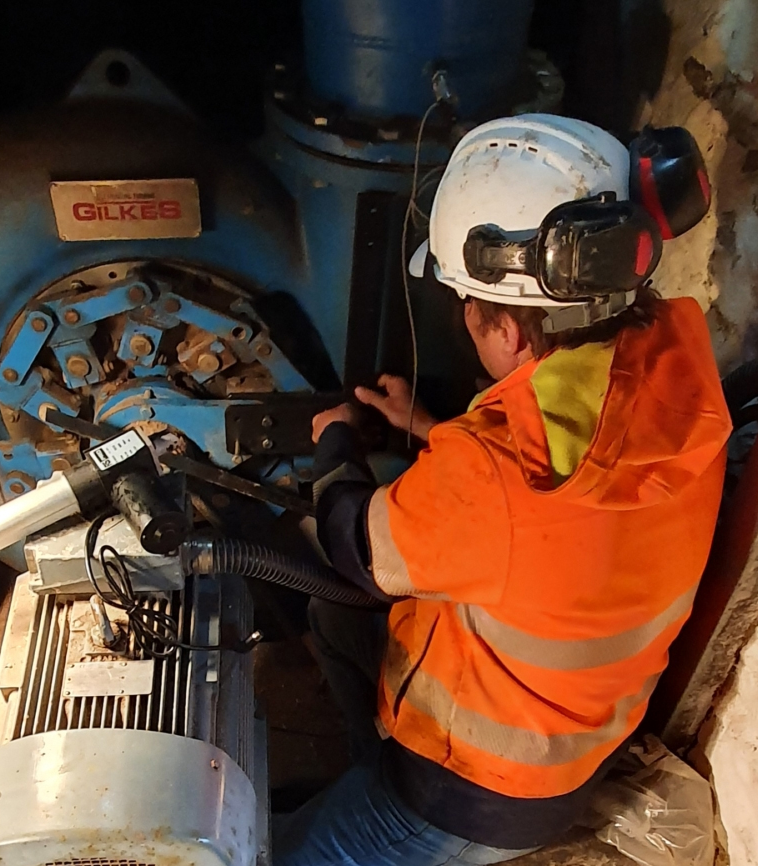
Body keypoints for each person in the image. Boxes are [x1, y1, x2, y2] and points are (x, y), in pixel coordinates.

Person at [274, 114, 732, 866]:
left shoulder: (493, 472)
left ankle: (377, 818)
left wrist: (336, 440)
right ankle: (364, 779)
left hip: (475, 792)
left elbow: (354, 547)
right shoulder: (673, 358)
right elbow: (549, 512)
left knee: (276, 854)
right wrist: (426, 425)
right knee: (336, 622)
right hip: (572, 738)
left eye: (469, 312)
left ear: (511, 337)